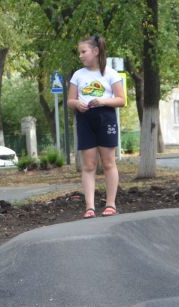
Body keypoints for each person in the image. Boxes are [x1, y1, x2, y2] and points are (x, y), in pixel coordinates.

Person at [67, 34, 125, 219]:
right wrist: (77, 104)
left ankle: (110, 204)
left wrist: (102, 100)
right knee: (89, 165)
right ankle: (90, 207)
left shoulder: (110, 73)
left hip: (105, 118)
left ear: (95, 51)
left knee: (108, 163)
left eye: (83, 52)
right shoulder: (78, 75)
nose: (81, 56)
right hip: (85, 120)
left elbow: (122, 100)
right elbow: (70, 100)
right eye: (79, 53)